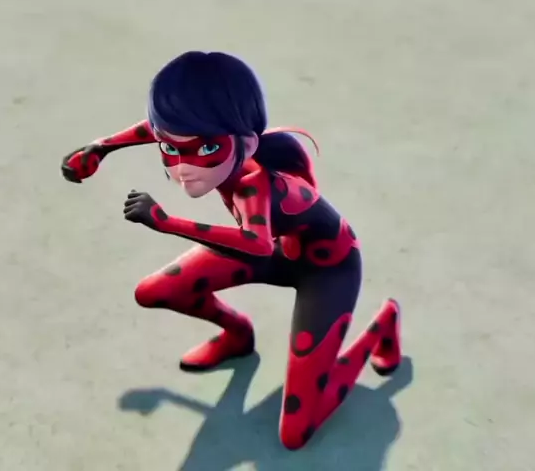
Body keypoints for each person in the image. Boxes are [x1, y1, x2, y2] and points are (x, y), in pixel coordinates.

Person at [60, 50, 402, 450]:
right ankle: (238, 335)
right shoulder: (210, 144)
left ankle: (383, 324)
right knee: (156, 291)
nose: (183, 167)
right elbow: (158, 129)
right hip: (278, 251)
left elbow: (255, 244)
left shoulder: (253, 184)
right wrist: (100, 147)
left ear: (247, 142)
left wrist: (165, 221)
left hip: (327, 270)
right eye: (170, 149)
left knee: (296, 431)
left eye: (206, 150)